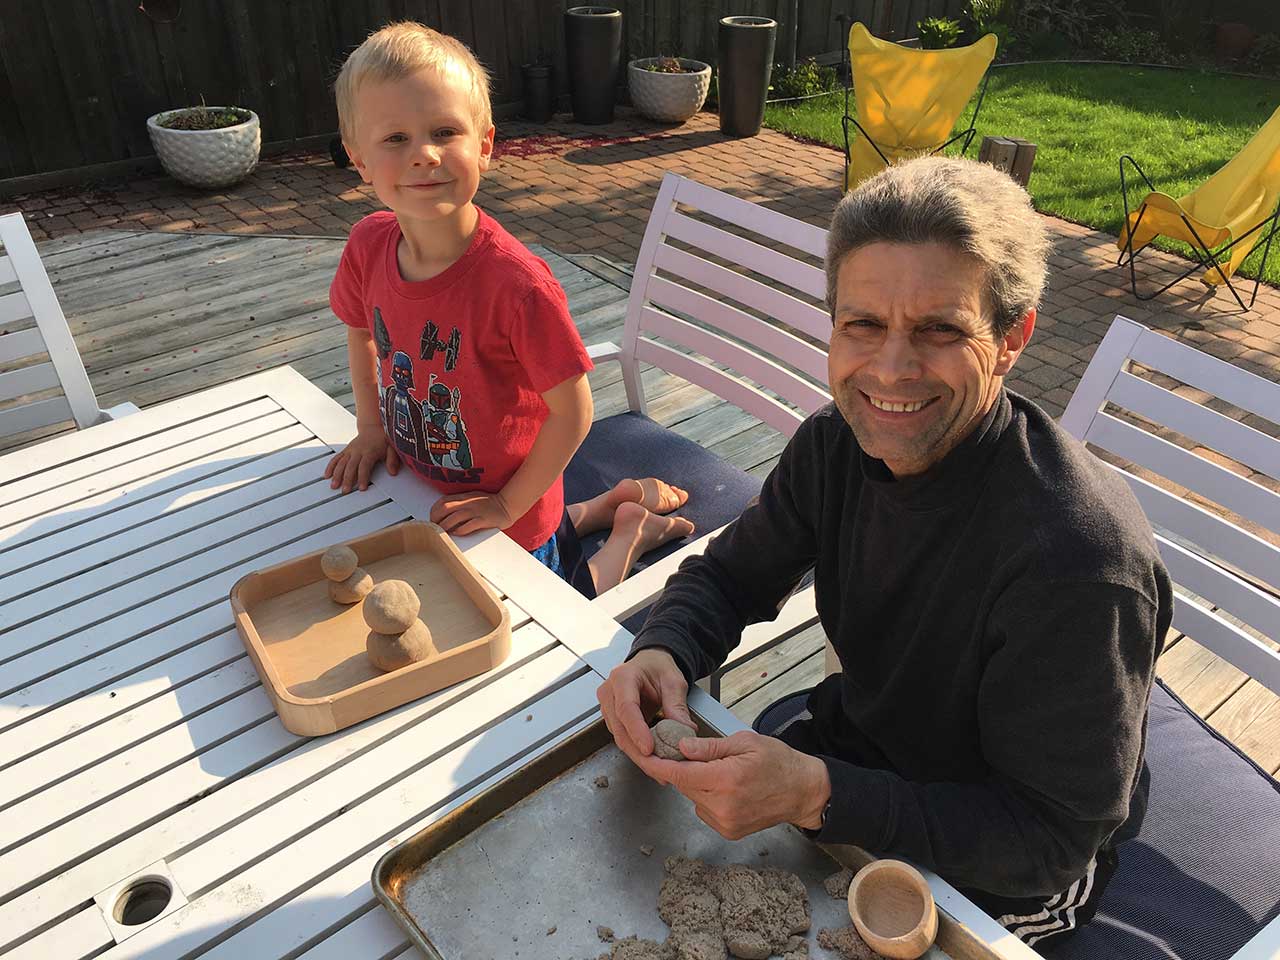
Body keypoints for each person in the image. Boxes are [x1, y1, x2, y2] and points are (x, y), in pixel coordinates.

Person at [596, 155, 1174, 947]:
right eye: (862, 324)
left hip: (1011, 856)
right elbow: (730, 575)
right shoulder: (832, 449)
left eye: (940, 329)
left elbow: (1049, 841)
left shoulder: (1078, 562)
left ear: (1012, 337)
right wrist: (665, 647)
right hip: (863, 758)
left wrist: (816, 793)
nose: (891, 369)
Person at [322, 22, 693, 594]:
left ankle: (628, 533)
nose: (424, 154)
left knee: (572, 597)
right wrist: (371, 429)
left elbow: (574, 413)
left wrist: (504, 504)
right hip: (422, 490)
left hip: (515, 518)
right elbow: (359, 331)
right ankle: (608, 504)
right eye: (395, 139)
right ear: (359, 159)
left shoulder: (518, 287)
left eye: (445, 131)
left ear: (485, 145)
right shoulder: (367, 246)